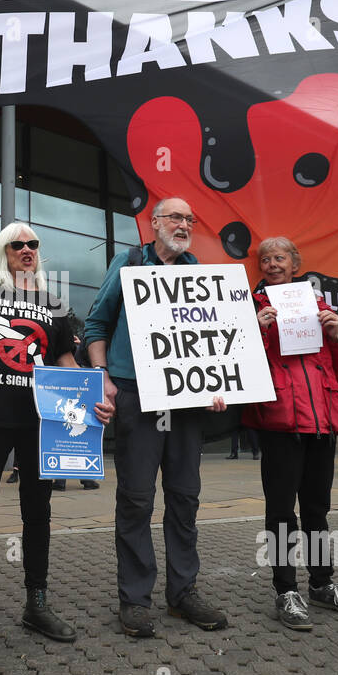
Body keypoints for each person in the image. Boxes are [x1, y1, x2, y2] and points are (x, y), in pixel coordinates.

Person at [0, 221, 114, 654]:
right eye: (17, 244)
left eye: (33, 244)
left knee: (38, 514)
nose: (26, 250)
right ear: (3, 251)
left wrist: (93, 397)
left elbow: (63, 360)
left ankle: (36, 604)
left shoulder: (53, 304)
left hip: (42, 423)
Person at [84, 197, 228, 637]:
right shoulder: (128, 264)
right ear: (155, 223)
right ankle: (135, 600)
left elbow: (212, 341)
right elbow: (96, 325)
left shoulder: (198, 274)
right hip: (135, 398)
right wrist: (102, 376)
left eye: (190, 219)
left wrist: (216, 382)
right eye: (176, 217)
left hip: (184, 408)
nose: (184, 224)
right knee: (136, 499)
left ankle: (183, 593)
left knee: (185, 498)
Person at [244, 236, 338, 631]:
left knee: (317, 511)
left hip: (322, 423)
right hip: (281, 422)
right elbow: (240, 363)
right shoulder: (251, 306)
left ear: (295, 263)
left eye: (280, 257)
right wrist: (256, 329)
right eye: (266, 259)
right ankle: (285, 590)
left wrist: (337, 334)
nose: (272, 264)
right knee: (281, 513)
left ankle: (321, 584)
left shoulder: (319, 307)